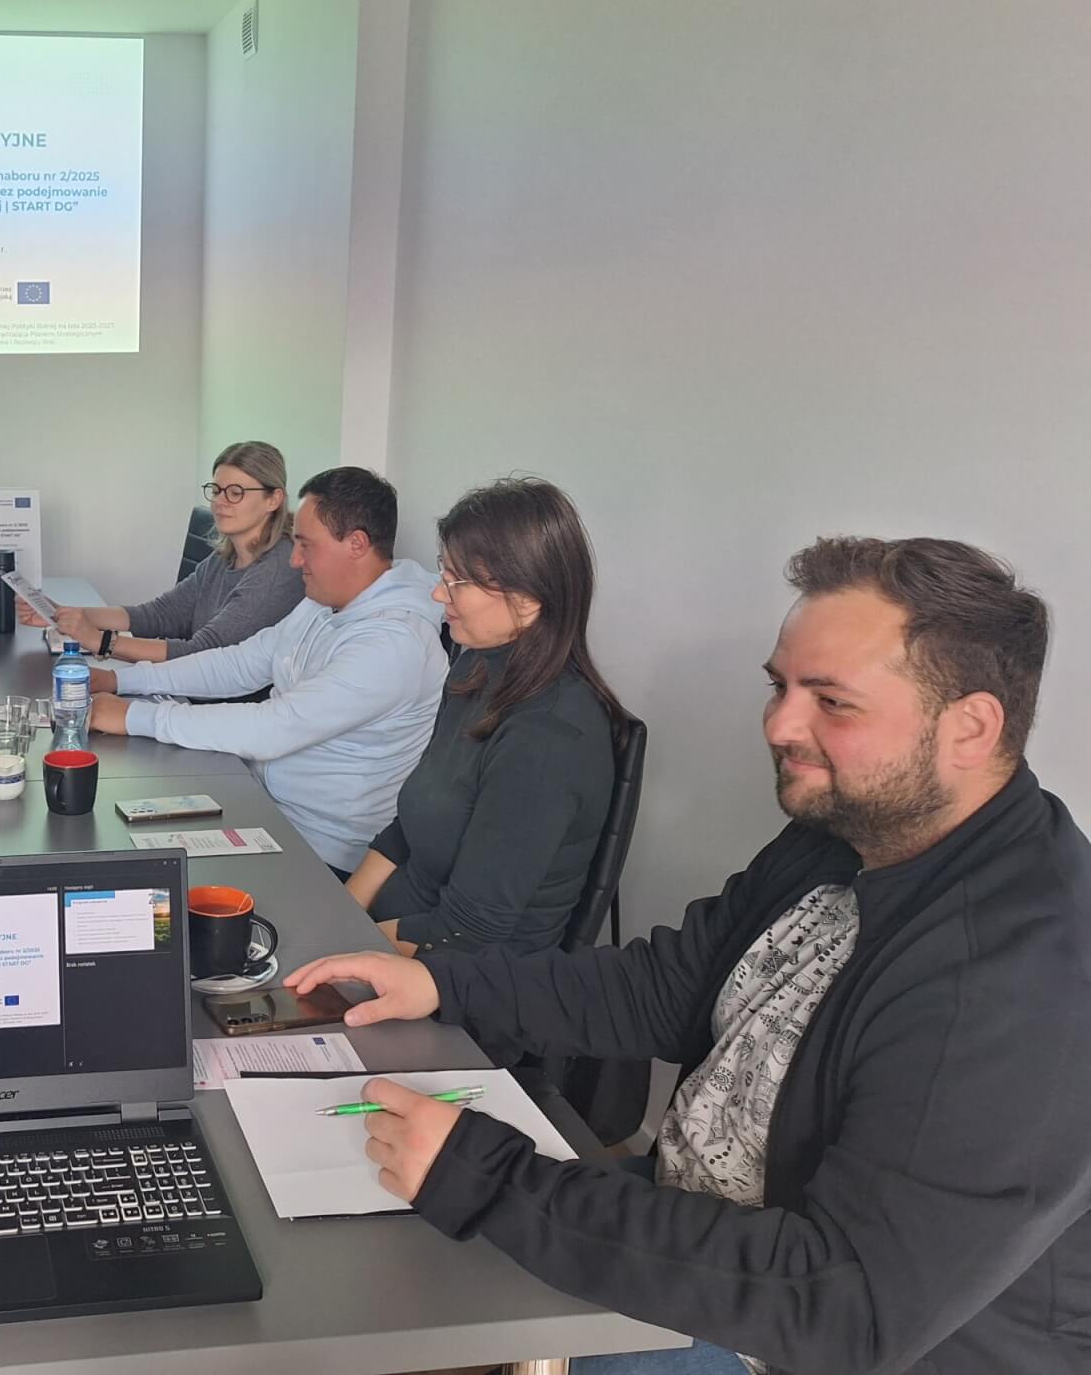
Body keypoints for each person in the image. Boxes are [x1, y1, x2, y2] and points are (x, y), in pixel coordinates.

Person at [286, 536, 1091, 1374]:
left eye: (832, 701)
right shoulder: (847, 832)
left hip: (807, 1340)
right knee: (361, 1256)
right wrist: (441, 982)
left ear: (970, 727)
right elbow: (666, 988)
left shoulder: (1025, 982)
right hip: (709, 1228)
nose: (780, 726)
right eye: (780, 687)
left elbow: (843, 1306)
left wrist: (488, 1179)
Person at [86, 467, 449, 870]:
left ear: (356, 544)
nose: (295, 560)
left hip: (320, 848)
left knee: (145, 872)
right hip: (263, 803)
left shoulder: (394, 644)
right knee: (121, 835)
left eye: (306, 546)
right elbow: (240, 663)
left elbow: (275, 727)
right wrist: (121, 680)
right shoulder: (325, 603)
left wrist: (134, 716)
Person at [342, 478, 629, 954]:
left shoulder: (548, 738)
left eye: (457, 581)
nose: (439, 595)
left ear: (527, 601)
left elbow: (466, 931)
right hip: (391, 935)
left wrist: (342, 948)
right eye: (444, 572)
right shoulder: (475, 667)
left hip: (464, 973)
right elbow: (406, 830)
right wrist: (336, 916)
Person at [18, 441, 306, 663]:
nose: (220, 502)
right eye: (216, 490)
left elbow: (204, 654)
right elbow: (160, 614)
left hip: (229, 709)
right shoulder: (224, 557)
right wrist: (65, 614)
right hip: (192, 692)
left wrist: (99, 641)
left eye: (235, 493)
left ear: (273, 499)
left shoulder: (278, 569)